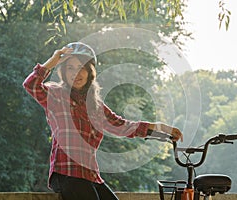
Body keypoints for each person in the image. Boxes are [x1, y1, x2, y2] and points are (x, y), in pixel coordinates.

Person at [23, 42, 183, 200]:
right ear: (63, 72)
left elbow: (123, 126)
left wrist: (162, 129)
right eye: (70, 68)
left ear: (89, 71)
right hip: (67, 173)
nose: (75, 73)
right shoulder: (55, 95)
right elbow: (31, 85)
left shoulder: (96, 106)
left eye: (81, 67)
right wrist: (53, 60)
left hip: (90, 175)